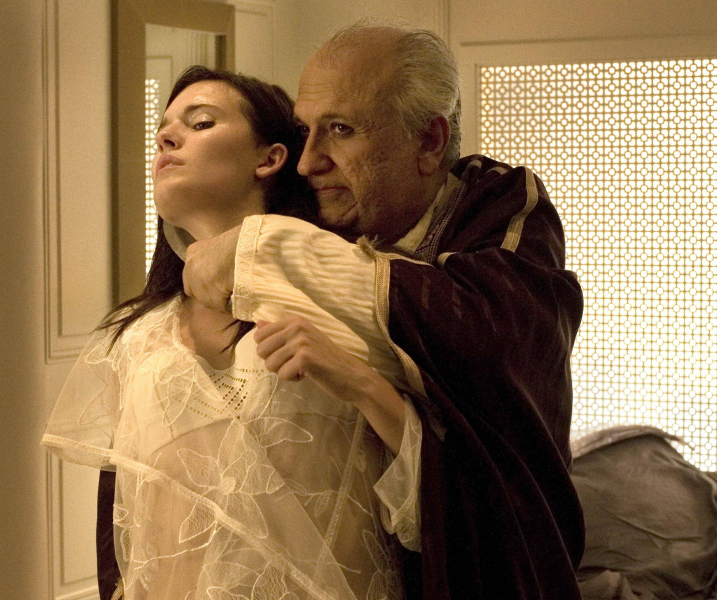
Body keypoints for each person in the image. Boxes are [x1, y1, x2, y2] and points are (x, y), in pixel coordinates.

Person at [180, 23, 587, 600]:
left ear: (429, 142)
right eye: (304, 131)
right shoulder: (316, 211)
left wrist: (262, 251)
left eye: (341, 130)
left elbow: (485, 332)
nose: (308, 162)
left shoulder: (500, 206)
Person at [43, 66, 416, 600]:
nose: (167, 139)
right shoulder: (135, 336)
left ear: (269, 158)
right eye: (163, 131)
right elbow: (127, 530)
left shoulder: (343, 290)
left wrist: (358, 382)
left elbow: (444, 489)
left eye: (200, 123)